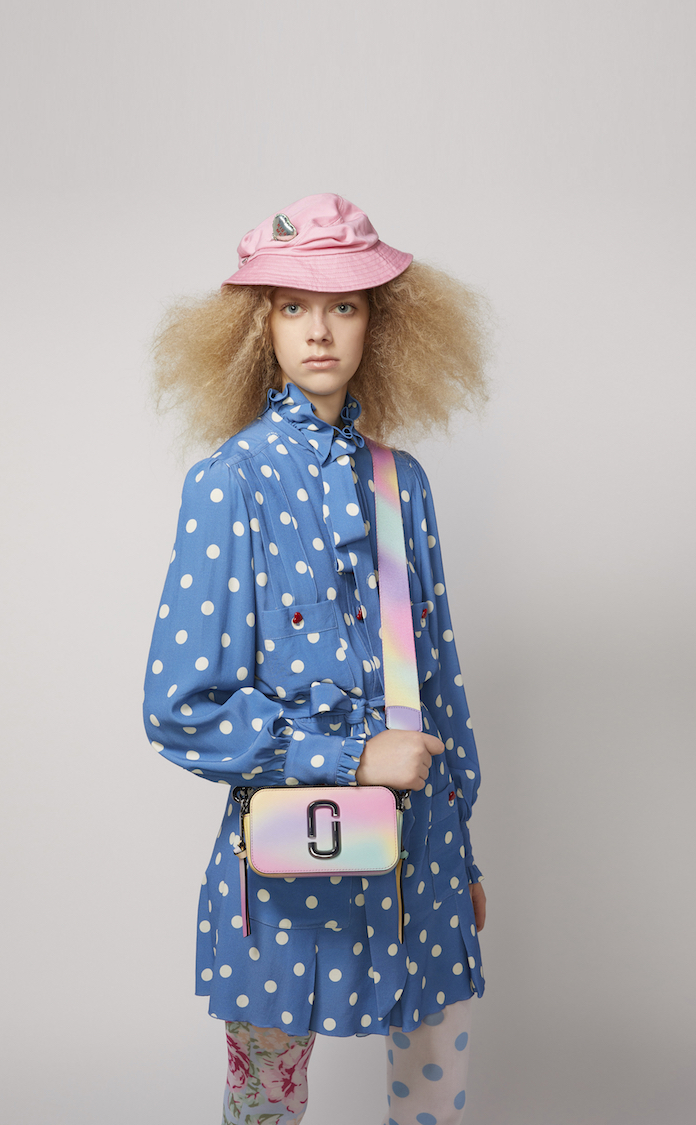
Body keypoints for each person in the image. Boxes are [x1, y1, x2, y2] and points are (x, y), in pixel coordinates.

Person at [144, 193, 490, 1125]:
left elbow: (441, 680)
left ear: (382, 324)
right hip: (290, 862)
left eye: (344, 305)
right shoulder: (231, 481)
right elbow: (180, 706)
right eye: (293, 306)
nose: (320, 330)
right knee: (265, 1101)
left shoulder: (401, 482)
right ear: (259, 327)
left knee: (434, 1096)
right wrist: (351, 755)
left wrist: (465, 852)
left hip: (423, 856)